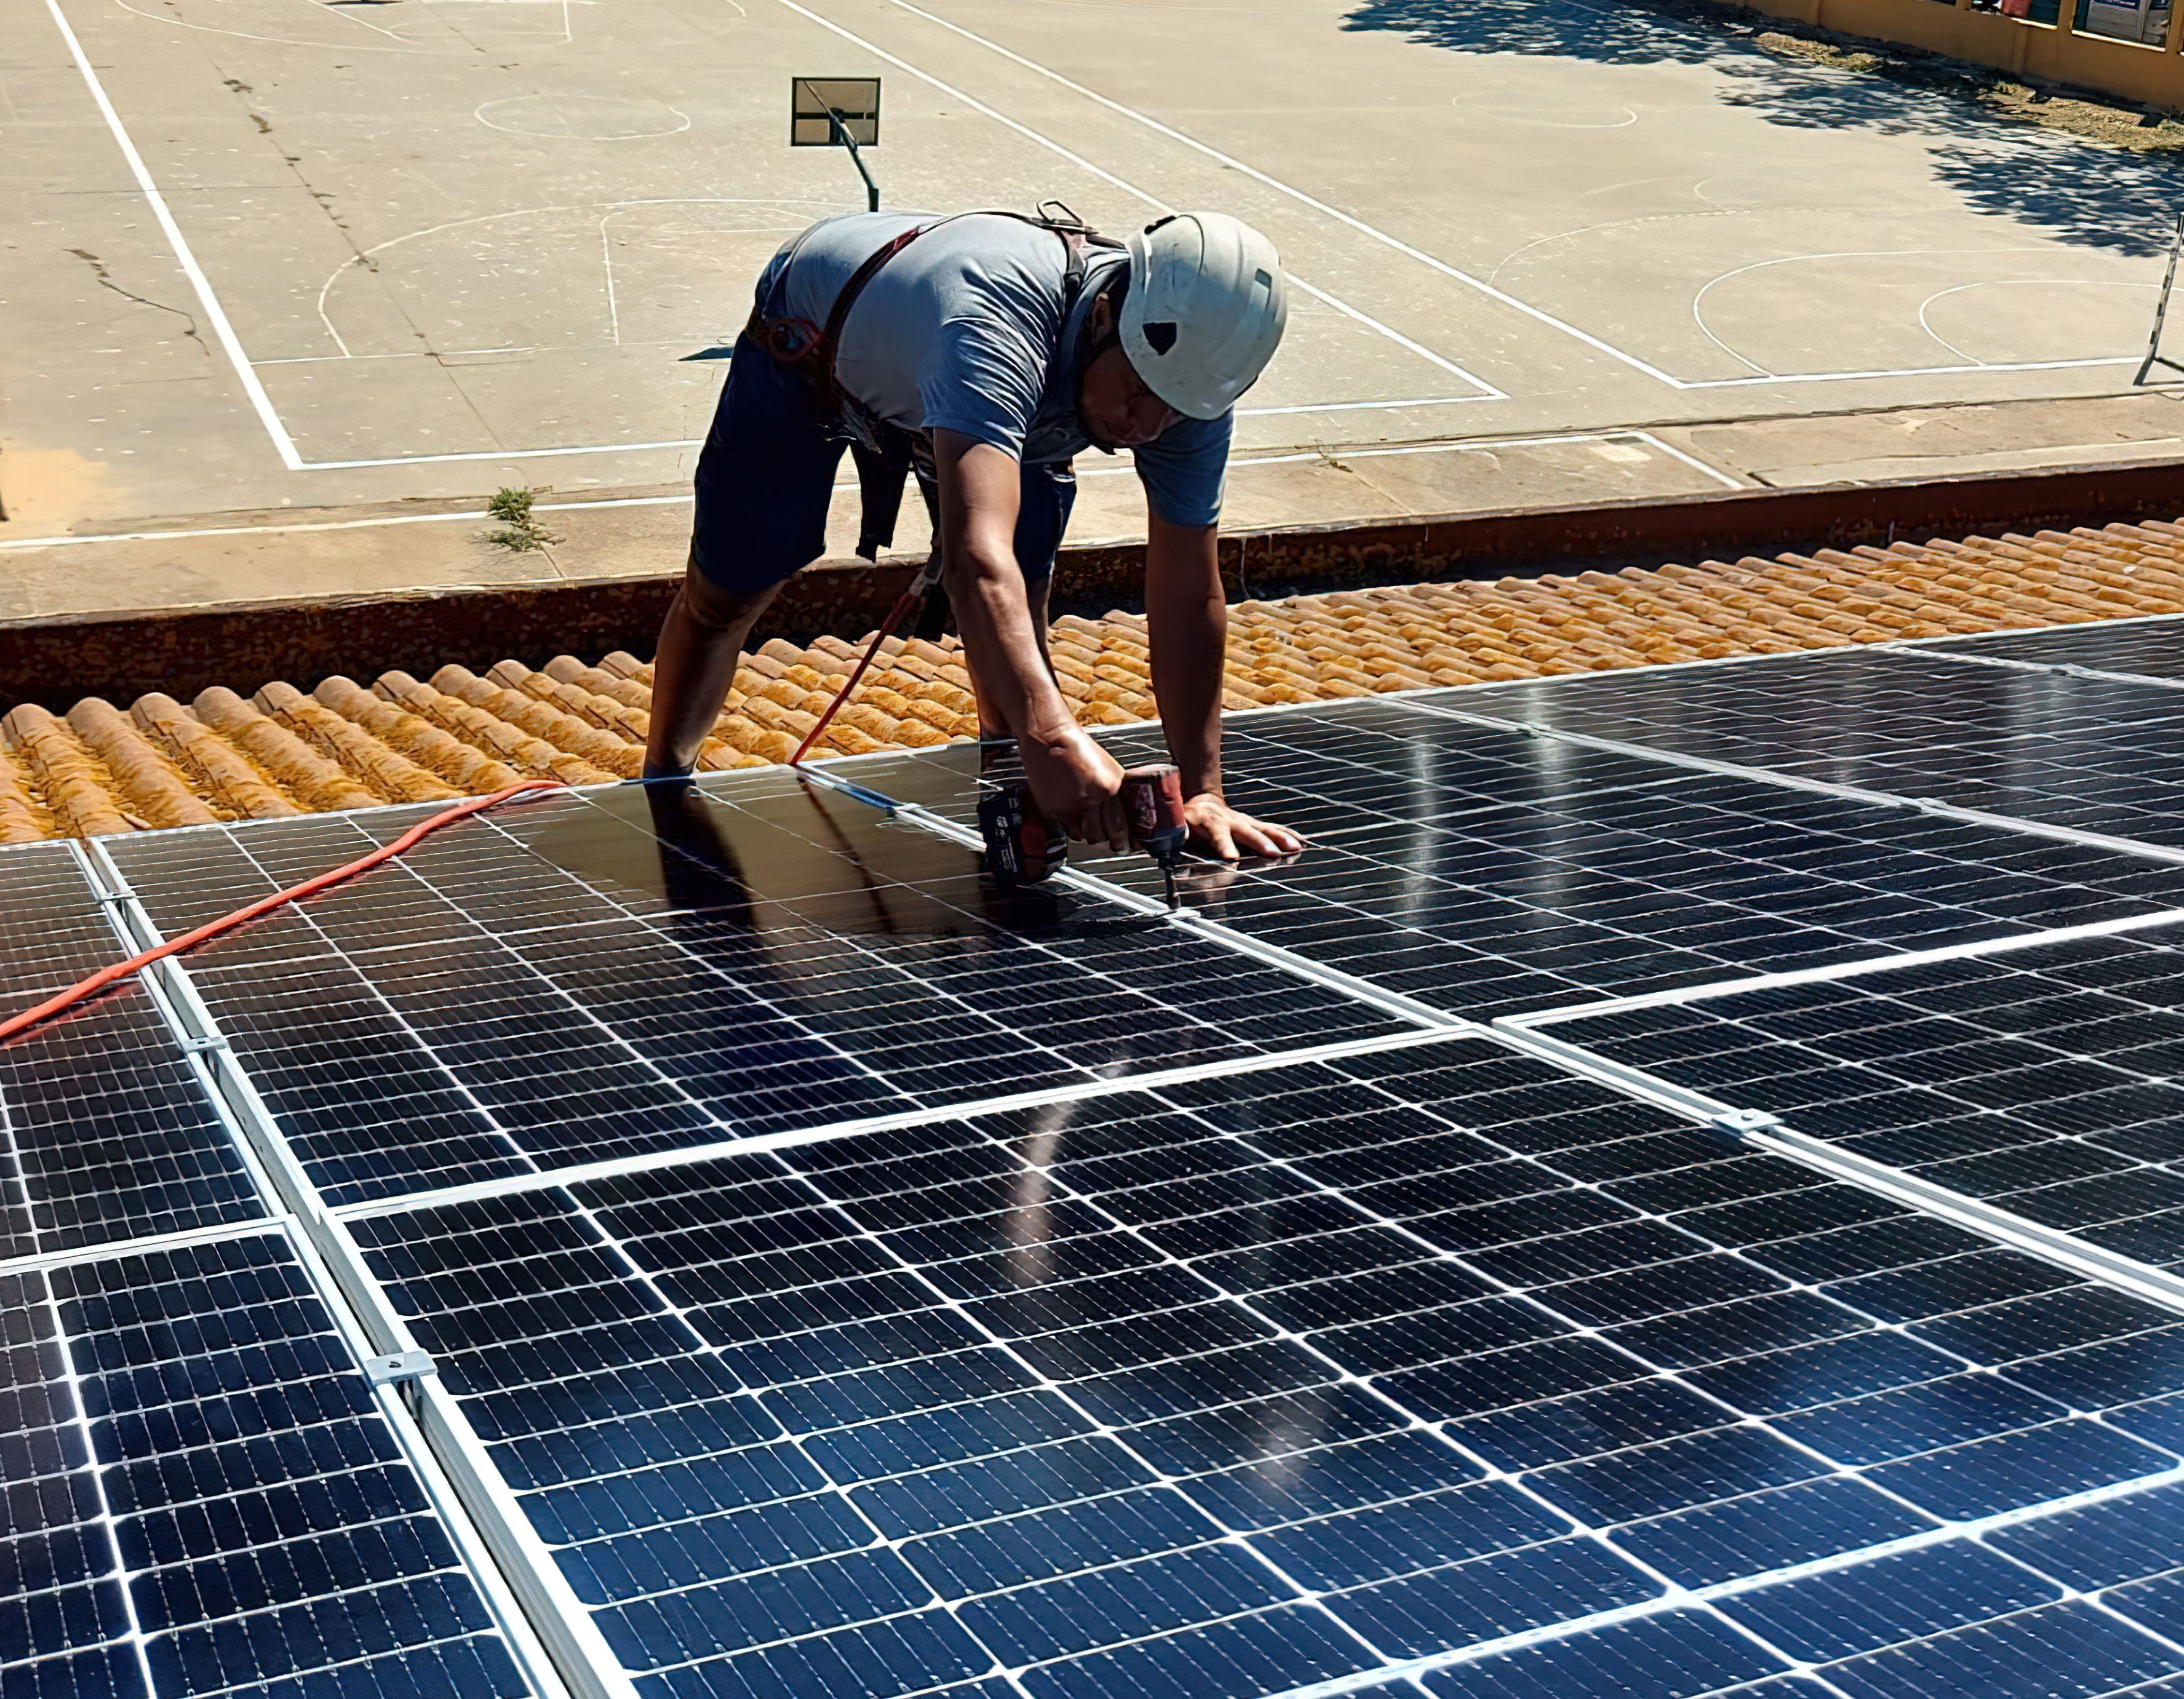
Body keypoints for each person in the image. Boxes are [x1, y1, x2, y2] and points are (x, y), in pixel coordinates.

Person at [640, 205, 1305, 862]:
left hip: (991, 374)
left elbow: (1189, 591)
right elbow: (973, 561)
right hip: (812, 342)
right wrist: (1052, 738)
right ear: (1106, 318)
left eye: (1174, 409)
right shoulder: (993, 322)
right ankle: (663, 786)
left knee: (1026, 594)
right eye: (1136, 390)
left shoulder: (1191, 388)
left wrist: (1203, 790)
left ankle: (1017, 800)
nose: (1146, 424)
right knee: (731, 587)